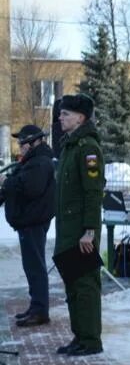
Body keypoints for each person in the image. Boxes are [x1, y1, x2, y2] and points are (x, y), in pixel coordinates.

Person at [54, 93, 106, 356]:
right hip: (68, 229)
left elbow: (92, 192)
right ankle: (80, 336)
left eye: (65, 114)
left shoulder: (87, 148)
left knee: (85, 285)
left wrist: (89, 231)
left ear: (80, 117)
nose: (60, 117)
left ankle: (90, 339)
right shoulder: (70, 146)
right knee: (73, 284)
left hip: (81, 232)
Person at [0, 125, 55, 327]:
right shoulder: (31, 162)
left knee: (35, 267)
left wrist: (6, 181)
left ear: (34, 142)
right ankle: (36, 306)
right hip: (27, 221)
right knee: (31, 266)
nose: (20, 147)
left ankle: (40, 310)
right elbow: (17, 185)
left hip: (33, 221)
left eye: (22, 143)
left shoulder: (40, 162)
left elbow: (29, 188)